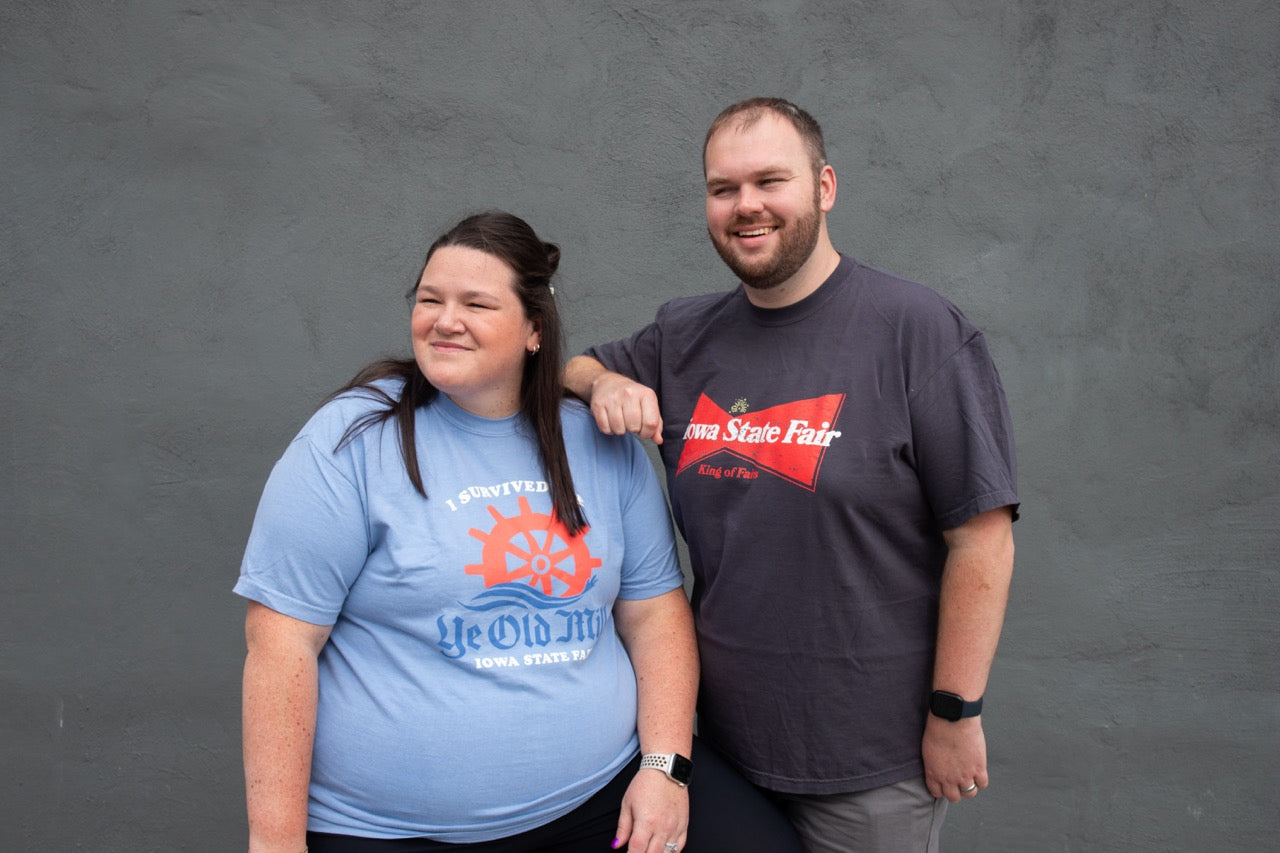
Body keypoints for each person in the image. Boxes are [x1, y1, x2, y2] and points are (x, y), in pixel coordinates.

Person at [235, 212, 803, 853]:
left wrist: (664, 768)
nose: (445, 321)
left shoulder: (595, 438)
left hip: (600, 796)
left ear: (535, 329)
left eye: (476, 304)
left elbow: (652, 614)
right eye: (429, 300)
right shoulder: (353, 439)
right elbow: (281, 643)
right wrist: (276, 844)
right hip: (392, 830)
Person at [565, 99, 1019, 853]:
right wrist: (602, 381)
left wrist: (956, 711)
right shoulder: (682, 336)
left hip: (869, 758)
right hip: (725, 750)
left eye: (770, 181)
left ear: (824, 186)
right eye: (723, 188)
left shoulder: (918, 330)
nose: (746, 205)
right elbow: (570, 367)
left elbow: (983, 540)